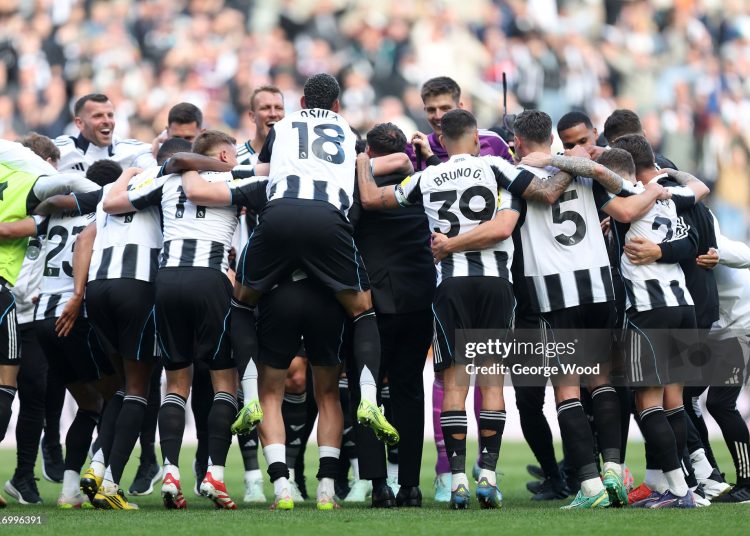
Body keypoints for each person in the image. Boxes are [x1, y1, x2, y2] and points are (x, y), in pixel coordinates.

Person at [229, 75, 399, 472]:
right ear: (337, 105)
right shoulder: (349, 131)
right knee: (363, 311)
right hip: (329, 219)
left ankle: (250, 392)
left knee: (240, 301)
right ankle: (370, 398)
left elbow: (264, 168)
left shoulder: (283, 126)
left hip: (280, 214)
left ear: (302, 101)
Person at [356, 109, 524, 509]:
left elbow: (372, 198)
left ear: (441, 140)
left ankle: (458, 479)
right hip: (497, 284)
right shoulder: (498, 168)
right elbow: (540, 191)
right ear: (477, 137)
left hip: (449, 287)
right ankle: (489, 474)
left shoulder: (425, 178)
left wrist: (363, 162)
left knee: (453, 385)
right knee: (492, 381)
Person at [103, 130, 243, 510]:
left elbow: (112, 205)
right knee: (223, 381)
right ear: (225, 152)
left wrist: (129, 175)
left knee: (175, 384)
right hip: (211, 280)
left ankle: (170, 473)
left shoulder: (166, 179)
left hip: (167, 281)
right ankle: (214, 473)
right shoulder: (237, 175)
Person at [405, 75, 513, 502]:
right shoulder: (429, 154)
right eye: (429, 110)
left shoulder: (494, 147)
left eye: (443, 109)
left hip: (464, 275)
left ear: (460, 106)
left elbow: (390, 197)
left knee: (458, 381)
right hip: (463, 278)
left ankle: (464, 477)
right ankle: (458, 473)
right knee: (471, 381)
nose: (436, 117)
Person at [600, 141, 710, 508]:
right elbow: (700, 187)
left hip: (650, 308)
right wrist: (666, 178)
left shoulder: (632, 196)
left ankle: (679, 491)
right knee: (673, 400)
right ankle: (671, 485)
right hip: (684, 307)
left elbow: (624, 204)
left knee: (647, 401)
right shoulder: (669, 197)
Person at [346, 123, 434, 507]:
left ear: (370, 152)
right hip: (417, 298)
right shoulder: (424, 186)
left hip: (371, 304)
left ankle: (378, 486)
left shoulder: (359, 189)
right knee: (409, 390)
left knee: (366, 392)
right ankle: (411, 487)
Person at [55, 94, 156, 173]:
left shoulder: (132, 151)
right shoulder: (60, 150)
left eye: (110, 115)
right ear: (80, 123)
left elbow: (165, 160)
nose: (107, 121)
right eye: (98, 116)